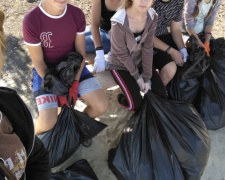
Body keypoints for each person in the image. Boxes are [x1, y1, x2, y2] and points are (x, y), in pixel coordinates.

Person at [22, 0, 109, 135]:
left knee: (101, 105)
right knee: (47, 122)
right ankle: (33, 140)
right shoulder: (31, 20)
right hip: (46, 72)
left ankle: (75, 128)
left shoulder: (76, 14)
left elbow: (80, 54)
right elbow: (38, 62)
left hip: (73, 68)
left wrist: (75, 83)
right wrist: (59, 91)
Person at [0, 9, 51, 180]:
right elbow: (39, 64)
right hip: (47, 75)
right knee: (49, 119)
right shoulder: (32, 20)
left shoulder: (10, 106)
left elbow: (38, 156)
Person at [109, 0, 167, 111]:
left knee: (161, 95)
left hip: (139, 61)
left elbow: (148, 48)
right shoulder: (118, 21)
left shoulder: (152, 16)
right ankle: (121, 98)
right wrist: (138, 77)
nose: (144, 1)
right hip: (120, 65)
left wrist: (147, 77)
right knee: (135, 105)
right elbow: (121, 54)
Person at [152, 0, 188, 86]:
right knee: (170, 68)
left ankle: (164, 91)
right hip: (145, 40)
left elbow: (175, 29)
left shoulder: (179, 1)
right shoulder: (150, 2)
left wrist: (183, 50)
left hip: (163, 34)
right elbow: (145, 35)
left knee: (185, 63)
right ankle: (153, 96)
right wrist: (171, 51)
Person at [85, 0, 122, 73]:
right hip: (101, 29)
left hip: (118, 39)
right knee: (73, 35)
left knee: (75, 42)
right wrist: (99, 53)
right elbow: (94, 25)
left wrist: (113, 53)